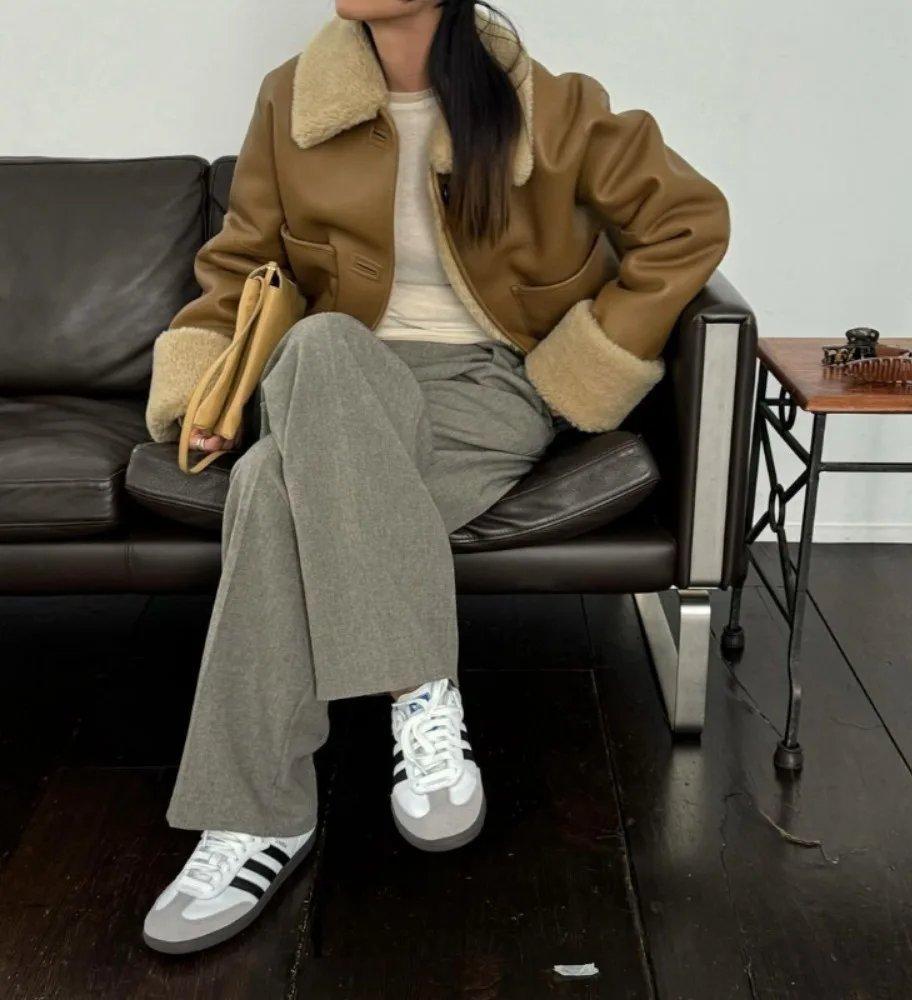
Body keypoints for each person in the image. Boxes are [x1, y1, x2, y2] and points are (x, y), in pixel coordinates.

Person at [141, 0, 729, 954]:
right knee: (323, 346)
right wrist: (205, 393)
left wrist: (578, 366)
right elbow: (238, 264)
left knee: (266, 492)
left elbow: (689, 221)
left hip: (484, 387)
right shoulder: (291, 101)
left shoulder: (551, 107)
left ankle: (254, 820)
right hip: (327, 378)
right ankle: (418, 686)